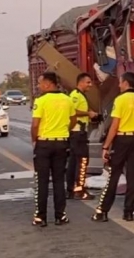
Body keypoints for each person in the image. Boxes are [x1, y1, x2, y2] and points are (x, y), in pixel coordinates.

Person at [92, 72, 134, 223]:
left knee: (114, 174)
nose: (118, 85)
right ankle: (128, 212)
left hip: (122, 139)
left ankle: (103, 211)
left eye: (120, 82)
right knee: (132, 175)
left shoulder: (120, 100)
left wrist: (106, 146)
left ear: (125, 83)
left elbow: (115, 125)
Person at [31, 71, 76, 227]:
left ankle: (40, 217)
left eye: (40, 83)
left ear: (48, 84)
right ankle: (60, 216)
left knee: (42, 181)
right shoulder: (68, 100)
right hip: (61, 143)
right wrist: (64, 130)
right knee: (58, 181)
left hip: (44, 143)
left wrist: (34, 140)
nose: (38, 86)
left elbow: (35, 125)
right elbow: (73, 120)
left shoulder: (41, 101)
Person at [67, 73, 97, 200]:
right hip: (78, 133)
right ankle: (80, 191)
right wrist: (88, 113)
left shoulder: (80, 95)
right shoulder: (75, 95)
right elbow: (72, 111)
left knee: (74, 162)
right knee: (82, 162)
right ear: (80, 82)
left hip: (78, 133)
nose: (90, 85)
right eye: (88, 82)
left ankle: (71, 190)